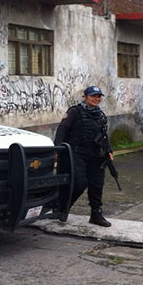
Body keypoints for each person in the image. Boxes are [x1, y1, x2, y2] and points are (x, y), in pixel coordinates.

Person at [54, 85, 114, 227]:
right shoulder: (75, 111)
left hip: (96, 154)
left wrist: (109, 150)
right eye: (93, 96)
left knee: (97, 184)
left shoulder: (100, 114)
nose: (96, 99)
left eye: (98, 96)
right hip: (77, 153)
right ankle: (62, 207)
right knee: (79, 182)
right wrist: (57, 149)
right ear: (85, 97)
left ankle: (96, 214)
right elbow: (62, 128)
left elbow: (104, 134)